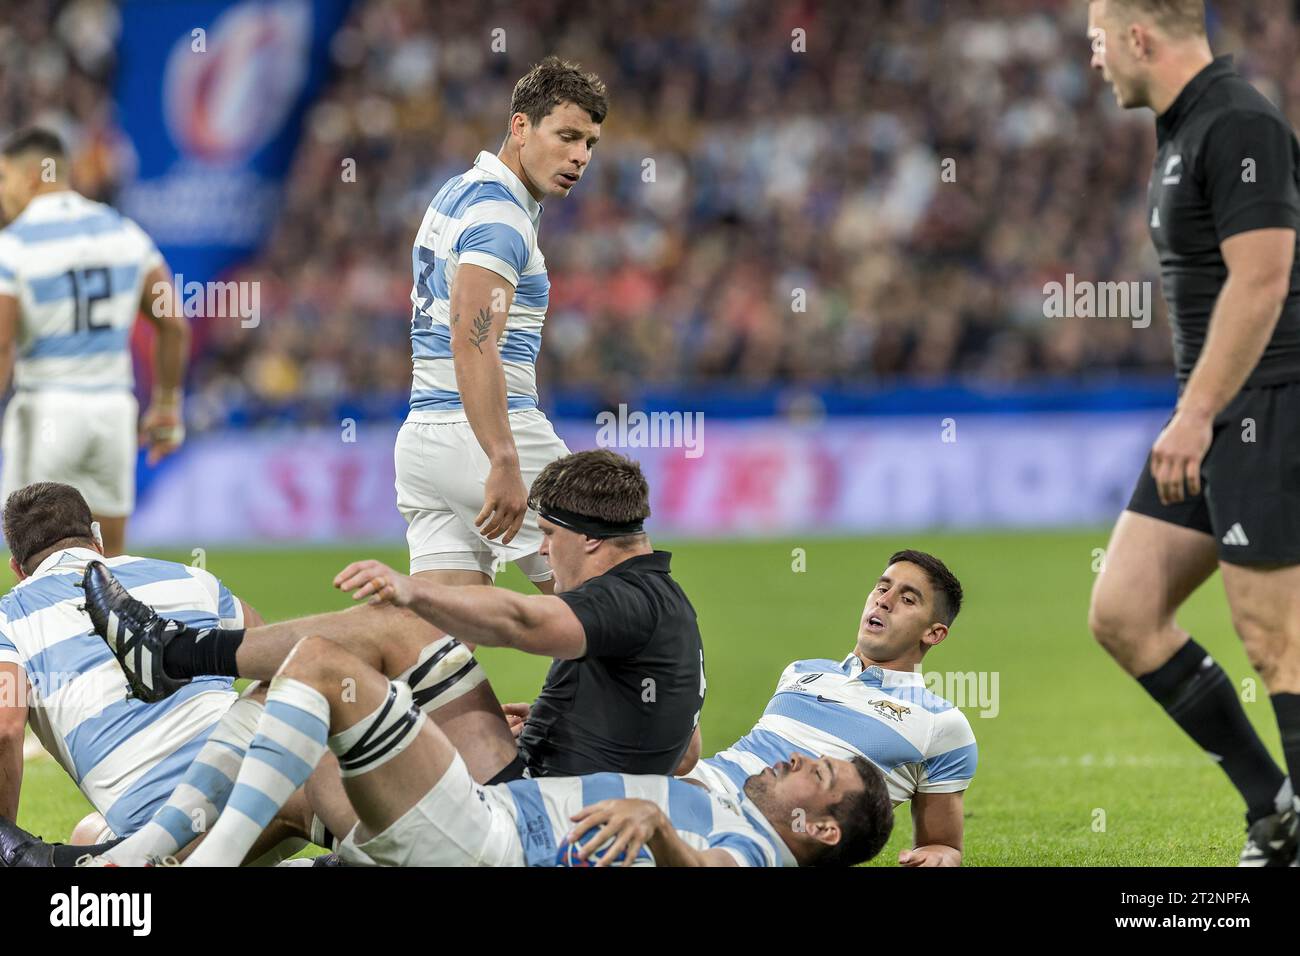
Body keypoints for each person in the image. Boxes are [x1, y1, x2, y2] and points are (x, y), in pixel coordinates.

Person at [78, 450, 707, 865]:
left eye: (548, 536)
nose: (543, 551)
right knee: (294, 723)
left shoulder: (634, 597)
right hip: (531, 790)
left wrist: (413, 589)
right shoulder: (662, 606)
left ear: (591, 540)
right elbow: (685, 750)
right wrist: (567, 726)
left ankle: (177, 654)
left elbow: (521, 619)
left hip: (528, 817)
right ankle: (138, 859)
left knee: (384, 635)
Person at [1086, 0, 1300, 865]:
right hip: (1213, 412)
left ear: (1140, 36)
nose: (1094, 59)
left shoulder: (1240, 121)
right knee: (1125, 610)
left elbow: (1264, 280)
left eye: (1099, 40)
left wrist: (1199, 413)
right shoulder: (1182, 129)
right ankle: (1277, 812)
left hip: (1265, 402)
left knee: (1274, 635)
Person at [175, 630, 893, 868]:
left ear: (823, 829)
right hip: (481, 816)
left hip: (483, 841)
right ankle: (129, 854)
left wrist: (661, 830)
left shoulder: (759, 853)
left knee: (328, 670)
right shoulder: (728, 801)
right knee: (288, 717)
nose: (799, 759)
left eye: (819, 773)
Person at [396, 56, 605, 592]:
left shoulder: (456, 192)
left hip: (424, 437)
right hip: (487, 431)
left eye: (589, 144)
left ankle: (308, 671)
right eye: (566, 136)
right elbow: (472, 339)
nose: (579, 157)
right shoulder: (501, 219)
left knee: (437, 654)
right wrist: (503, 456)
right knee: (624, 598)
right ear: (520, 126)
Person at [0, 482, 271, 860]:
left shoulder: (10, 618)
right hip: (273, 789)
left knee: (94, 845)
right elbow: (277, 661)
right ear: (96, 537)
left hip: (171, 836)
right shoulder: (190, 577)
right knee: (87, 833)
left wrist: (5, 838)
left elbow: (4, 729)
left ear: (17, 568)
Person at [0, 127, 188, 557]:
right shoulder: (123, 232)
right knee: (111, 559)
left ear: (31, 176)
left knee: (36, 562)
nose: (1, 191)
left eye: (3, 177)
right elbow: (174, 324)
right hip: (113, 415)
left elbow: (2, 344)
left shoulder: (13, 246)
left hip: (47, 407)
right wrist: (165, 407)